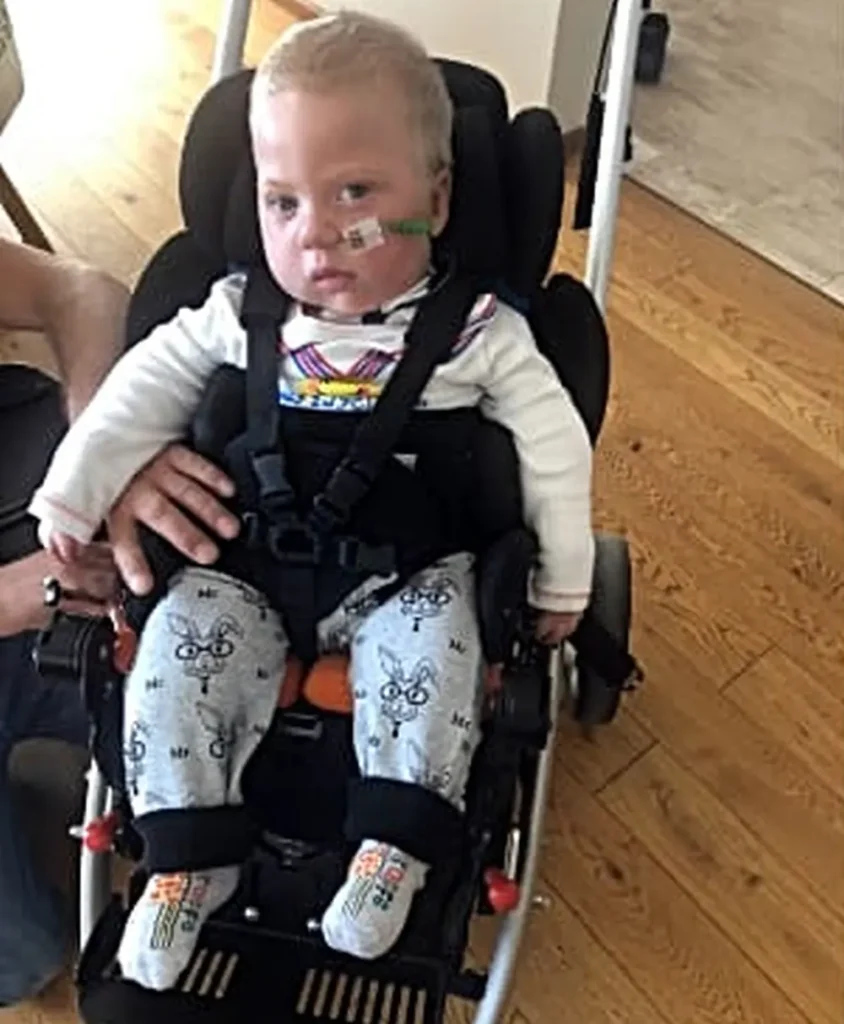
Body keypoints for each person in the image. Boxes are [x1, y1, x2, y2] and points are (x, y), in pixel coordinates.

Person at [27, 11, 595, 992]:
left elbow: (553, 446)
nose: (318, 234)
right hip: (245, 570)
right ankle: (186, 854)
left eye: (357, 196)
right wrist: (74, 493)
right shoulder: (240, 314)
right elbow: (136, 395)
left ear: (436, 200)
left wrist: (563, 574)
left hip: (406, 576)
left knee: (440, 648)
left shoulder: (477, 334)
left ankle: (394, 849)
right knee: (176, 648)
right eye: (283, 202)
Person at [0, 240, 239, 1006]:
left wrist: (101, 449)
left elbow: (77, 287)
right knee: (21, 958)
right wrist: (13, 595)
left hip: (28, 484)